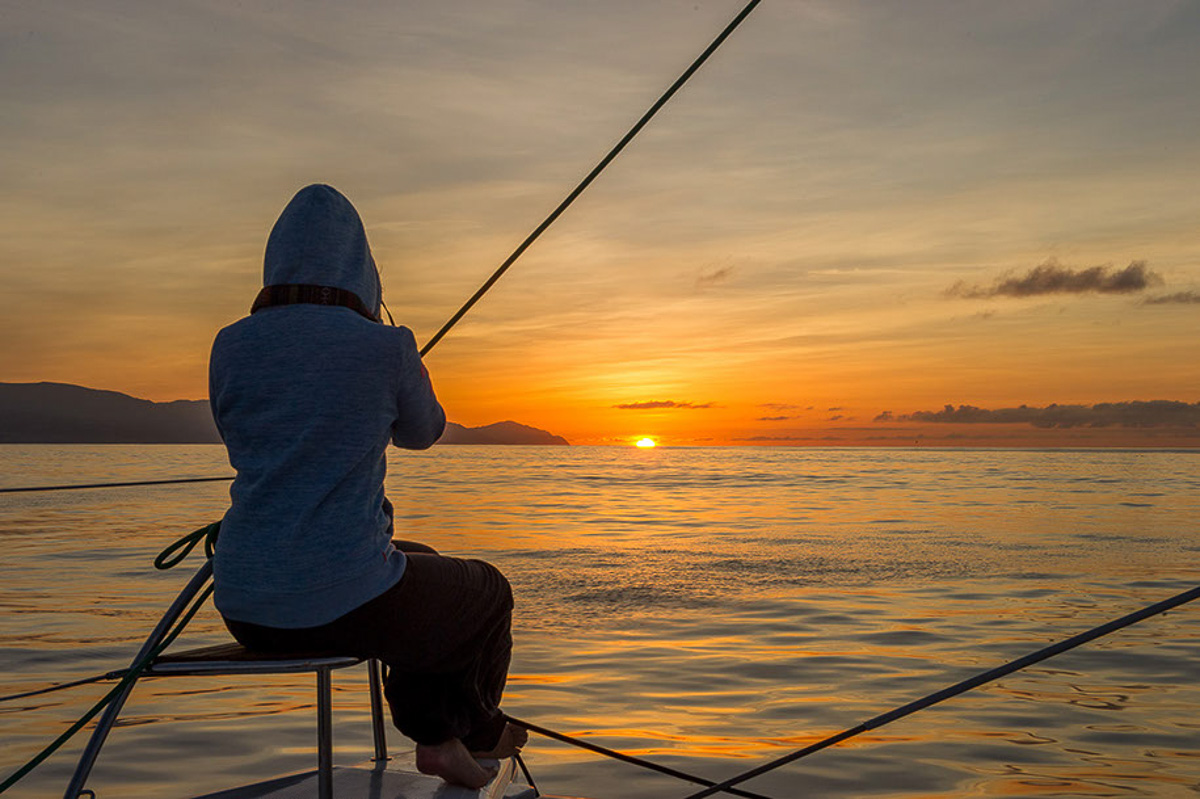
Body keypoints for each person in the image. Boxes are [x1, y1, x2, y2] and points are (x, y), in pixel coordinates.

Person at [208, 183, 525, 788]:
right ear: (360, 265)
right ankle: (469, 736)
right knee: (487, 589)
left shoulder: (231, 343)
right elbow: (423, 432)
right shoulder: (385, 345)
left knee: (424, 563)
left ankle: (443, 734)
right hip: (336, 602)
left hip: (244, 602)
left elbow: (236, 433)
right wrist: (394, 354)